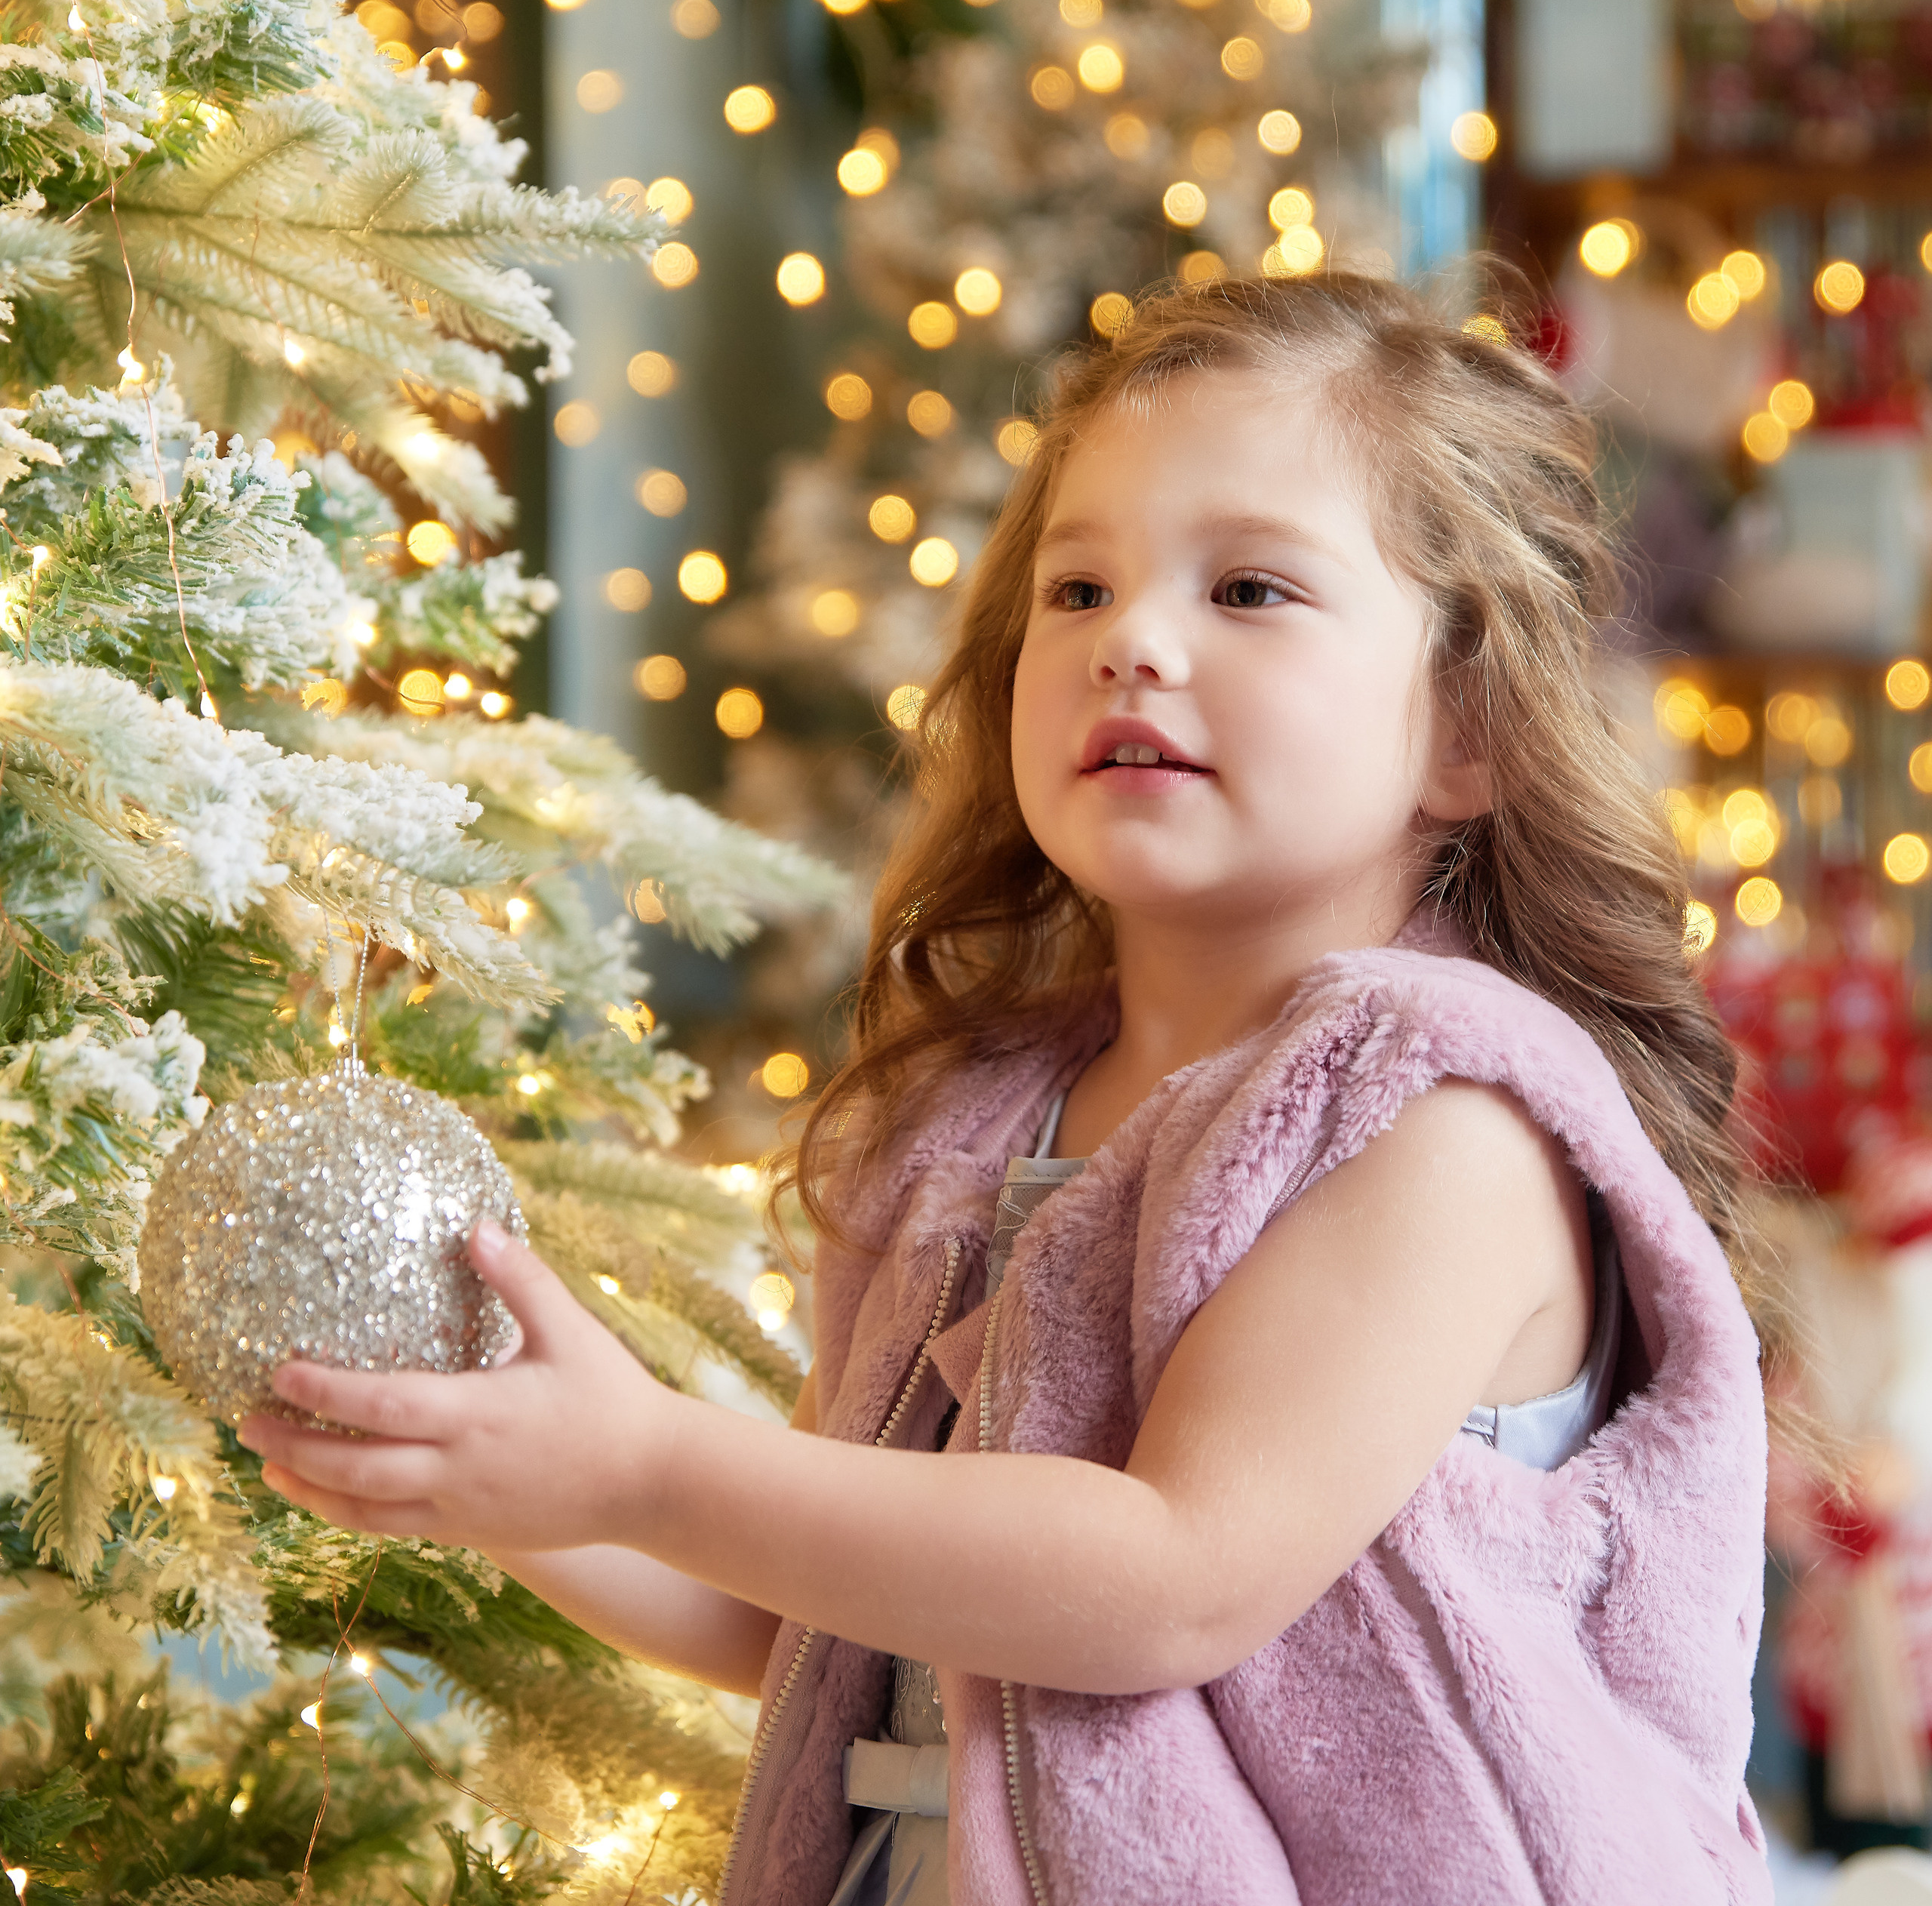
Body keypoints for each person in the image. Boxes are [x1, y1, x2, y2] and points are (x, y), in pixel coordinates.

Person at [241, 273, 1775, 1904]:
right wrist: (501, 1475)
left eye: (1247, 588)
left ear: (1463, 728)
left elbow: (1172, 1573)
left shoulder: (1442, 1123)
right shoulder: (971, 1125)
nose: (1132, 639)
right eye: (1076, 587)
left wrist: (650, 1462)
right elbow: (826, 1615)